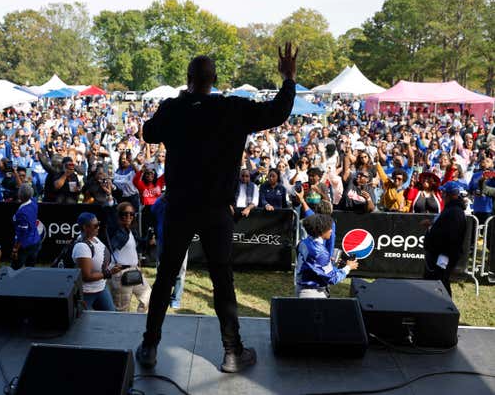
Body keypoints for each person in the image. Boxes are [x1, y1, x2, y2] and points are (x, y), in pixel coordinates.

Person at [136, 43, 297, 373]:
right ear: (215, 79)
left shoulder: (172, 108)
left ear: (188, 78)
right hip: (215, 208)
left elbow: (149, 132)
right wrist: (288, 79)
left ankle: (150, 347)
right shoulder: (232, 109)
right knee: (222, 279)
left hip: (179, 205)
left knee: (165, 275)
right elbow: (278, 112)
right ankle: (232, 352)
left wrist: (181, 102)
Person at [295, 213, 358, 298]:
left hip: (302, 289)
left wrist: (326, 261)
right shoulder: (321, 252)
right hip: (313, 294)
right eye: (329, 228)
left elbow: (311, 262)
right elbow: (333, 279)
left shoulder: (304, 242)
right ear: (321, 230)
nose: (331, 231)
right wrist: (348, 267)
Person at [422, 181, 467, 297]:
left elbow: (452, 237)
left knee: (441, 283)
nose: (442, 195)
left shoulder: (454, 211)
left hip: (442, 256)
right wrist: (432, 225)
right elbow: (444, 229)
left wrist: (444, 257)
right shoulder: (451, 209)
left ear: (451, 195)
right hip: (440, 254)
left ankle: (446, 309)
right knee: (436, 283)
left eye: (444, 193)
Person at [108, 202, 153, 312]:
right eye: (125, 214)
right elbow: (110, 216)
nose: (128, 217)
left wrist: (149, 241)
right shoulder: (116, 230)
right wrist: (110, 200)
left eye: (131, 214)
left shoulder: (132, 231)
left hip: (134, 270)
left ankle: (136, 321)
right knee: (122, 310)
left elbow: (140, 245)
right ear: (119, 215)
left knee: (148, 296)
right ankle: (122, 328)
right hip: (120, 273)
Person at [72, 212, 122, 310]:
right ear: (85, 227)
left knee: (112, 317)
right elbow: (86, 276)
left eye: (98, 223)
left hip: (101, 288)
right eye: (95, 225)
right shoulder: (81, 247)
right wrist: (109, 273)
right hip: (86, 293)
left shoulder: (95, 238)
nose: (98, 227)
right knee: (85, 322)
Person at [11, 184, 41, 270]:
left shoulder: (22, 213)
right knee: (30, 269)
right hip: (36, 240)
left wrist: (16, 248)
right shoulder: (33, 201)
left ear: (20, 195)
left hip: (25, 244)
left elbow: (22, 233)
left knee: (15, 269)